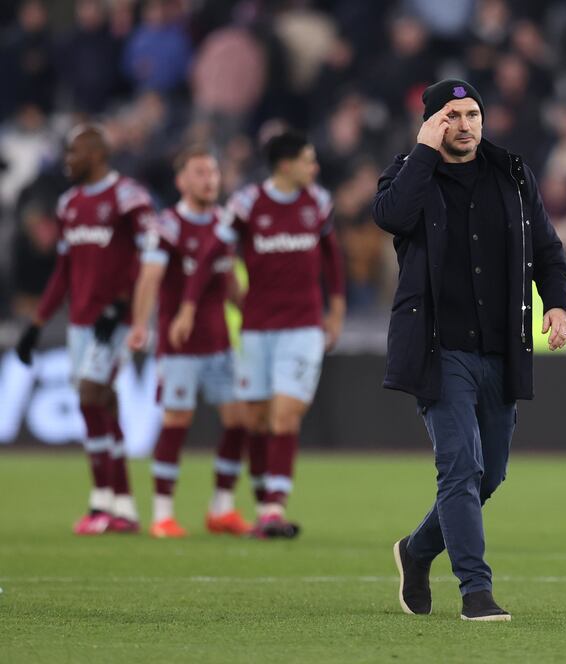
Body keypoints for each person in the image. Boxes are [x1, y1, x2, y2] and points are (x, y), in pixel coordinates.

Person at [374, 79, 566, 622]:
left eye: (472, 114)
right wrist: (421, 151)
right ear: (431, 123)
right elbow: (390, 217)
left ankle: (415, 553)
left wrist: (558, 305)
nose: (464, 124)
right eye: (451, 115)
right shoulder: (407, 173)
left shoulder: (512, 174)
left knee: (489, 476)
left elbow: (550, 253)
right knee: (460, 469)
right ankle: (475, 591)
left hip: (501, 350)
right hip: (439, 351)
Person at [169, 130, 345, 539]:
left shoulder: (317, 202)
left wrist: (335, 311)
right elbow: (212, 254)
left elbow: (333, 261)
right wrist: (188, 307)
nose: (313, 168)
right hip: (256, 328)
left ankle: (272, 508)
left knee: (285, 415)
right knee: (257, 420)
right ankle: (265, 503)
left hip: (302, 327)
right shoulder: (248, 204)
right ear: (286, 164)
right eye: (308, 159)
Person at [15, 124, 155, 534]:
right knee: (99, 403)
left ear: (95, 154)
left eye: (73, 153)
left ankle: (100, 503)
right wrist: (35, 325)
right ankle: (122, 506)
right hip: (80, 321)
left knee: (92, 394)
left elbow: (148, 257)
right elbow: (63, 271)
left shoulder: (129, 198)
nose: (67, 161)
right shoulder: (69, 204)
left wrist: (124, 303)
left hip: (114, 319)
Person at [127, 146, 251, 538]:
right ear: (181, 180)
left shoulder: (222, 225)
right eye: (199, 172)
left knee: (238, 421)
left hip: (219, 344)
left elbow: (229, 283)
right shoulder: (167, 227)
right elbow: (149, 278)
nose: (209, 179)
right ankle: (162, 513)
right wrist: (139, 325)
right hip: (178, 346)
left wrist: (253, 313)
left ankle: (221, 507)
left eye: (212, 172)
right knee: (176, 421)